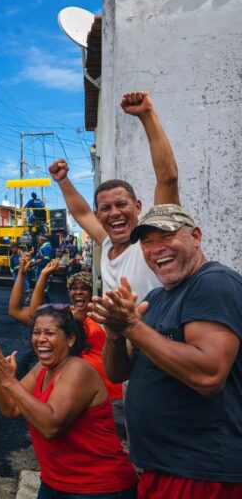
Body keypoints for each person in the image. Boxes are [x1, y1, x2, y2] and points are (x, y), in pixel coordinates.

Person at [91, 205, 242, 498]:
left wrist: (133, 327)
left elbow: (209, 375)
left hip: (202, 472)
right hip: (160, 466)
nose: (157, 248)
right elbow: (117, 372)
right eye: (147, 241)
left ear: (195, 236)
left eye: (167, 236)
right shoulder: (156, 297)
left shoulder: (213, 283)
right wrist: (114, 334)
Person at [0, 306, 137, 498]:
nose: (41, 339)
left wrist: (9, 381)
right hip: (54, 482)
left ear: (71, 339)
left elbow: (51, 426)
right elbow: (11, 408)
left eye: (49, 333)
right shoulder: (41, 368)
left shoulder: (79, 370)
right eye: (36, 332)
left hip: (99, 487)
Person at [48, 91, 179, 300]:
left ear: (137, 207)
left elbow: (167, 179)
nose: (115, 213)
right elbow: (81, 214)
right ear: (98, 215)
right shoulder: (108, 243)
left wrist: (147, 115)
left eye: (121, 204)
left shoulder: (148, 244)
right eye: (106, 209)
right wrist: (63, 181)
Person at [9, 262, 126, 438]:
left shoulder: (102, 317)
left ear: (92, 292)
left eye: (84, 288)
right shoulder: (65, 318)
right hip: (73, 397)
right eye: (74, 288)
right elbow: (31, 314)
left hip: (110, 398)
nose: (78, 292)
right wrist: (42, 276)